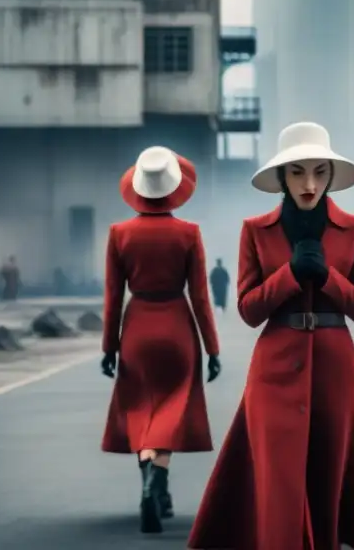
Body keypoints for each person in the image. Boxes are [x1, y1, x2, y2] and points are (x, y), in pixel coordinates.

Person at [188, 122, 354, 550]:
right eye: (296, 172)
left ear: (331, 174)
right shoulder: (256, 230)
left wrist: (327, 277)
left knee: (326, 485)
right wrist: (289, 275)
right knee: (279, 488)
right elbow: (248, 310)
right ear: (280, 177)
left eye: (318, 171)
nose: (309, 183)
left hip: (336, 372)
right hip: (273, 372)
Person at [100, 146, 221, 534]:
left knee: (140, 408)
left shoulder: (120, 234)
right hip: (177, 326)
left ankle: (149, 481)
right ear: (174, 189)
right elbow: (201, 297)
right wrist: (213, 349)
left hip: (137, 328)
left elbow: (112, 296)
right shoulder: (189, 234)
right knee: (171, 409)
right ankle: (160, 484)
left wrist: (108, 347)